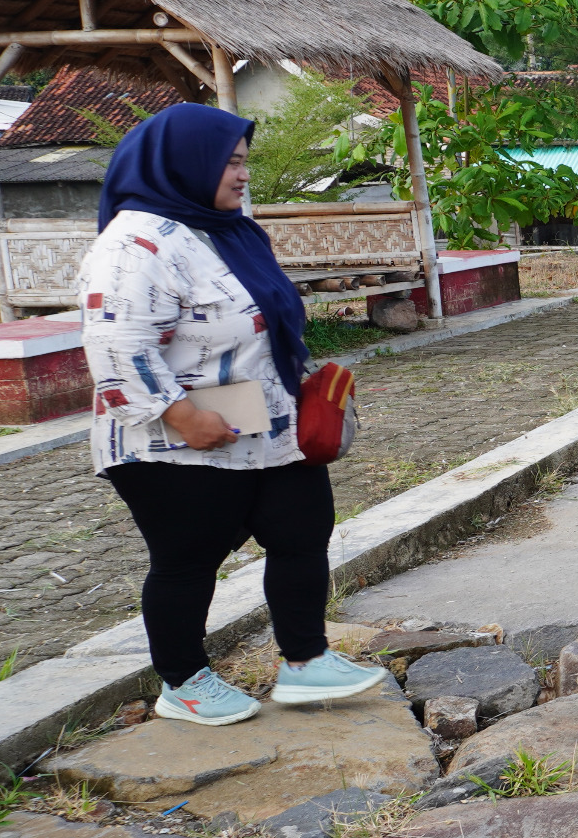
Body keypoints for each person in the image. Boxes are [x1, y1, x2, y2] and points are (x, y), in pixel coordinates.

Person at [79, 104, 388, 726]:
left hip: (260, 421)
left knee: (302, 529)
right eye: (231, 162)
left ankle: (306, 661)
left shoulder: (226, 230)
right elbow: (116, 346)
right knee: (190, 556)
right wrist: (180, 414)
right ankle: (184, 682)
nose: (242, 175)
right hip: (173, 439)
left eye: (244, 161)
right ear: (184, 164)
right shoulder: (134, 244)